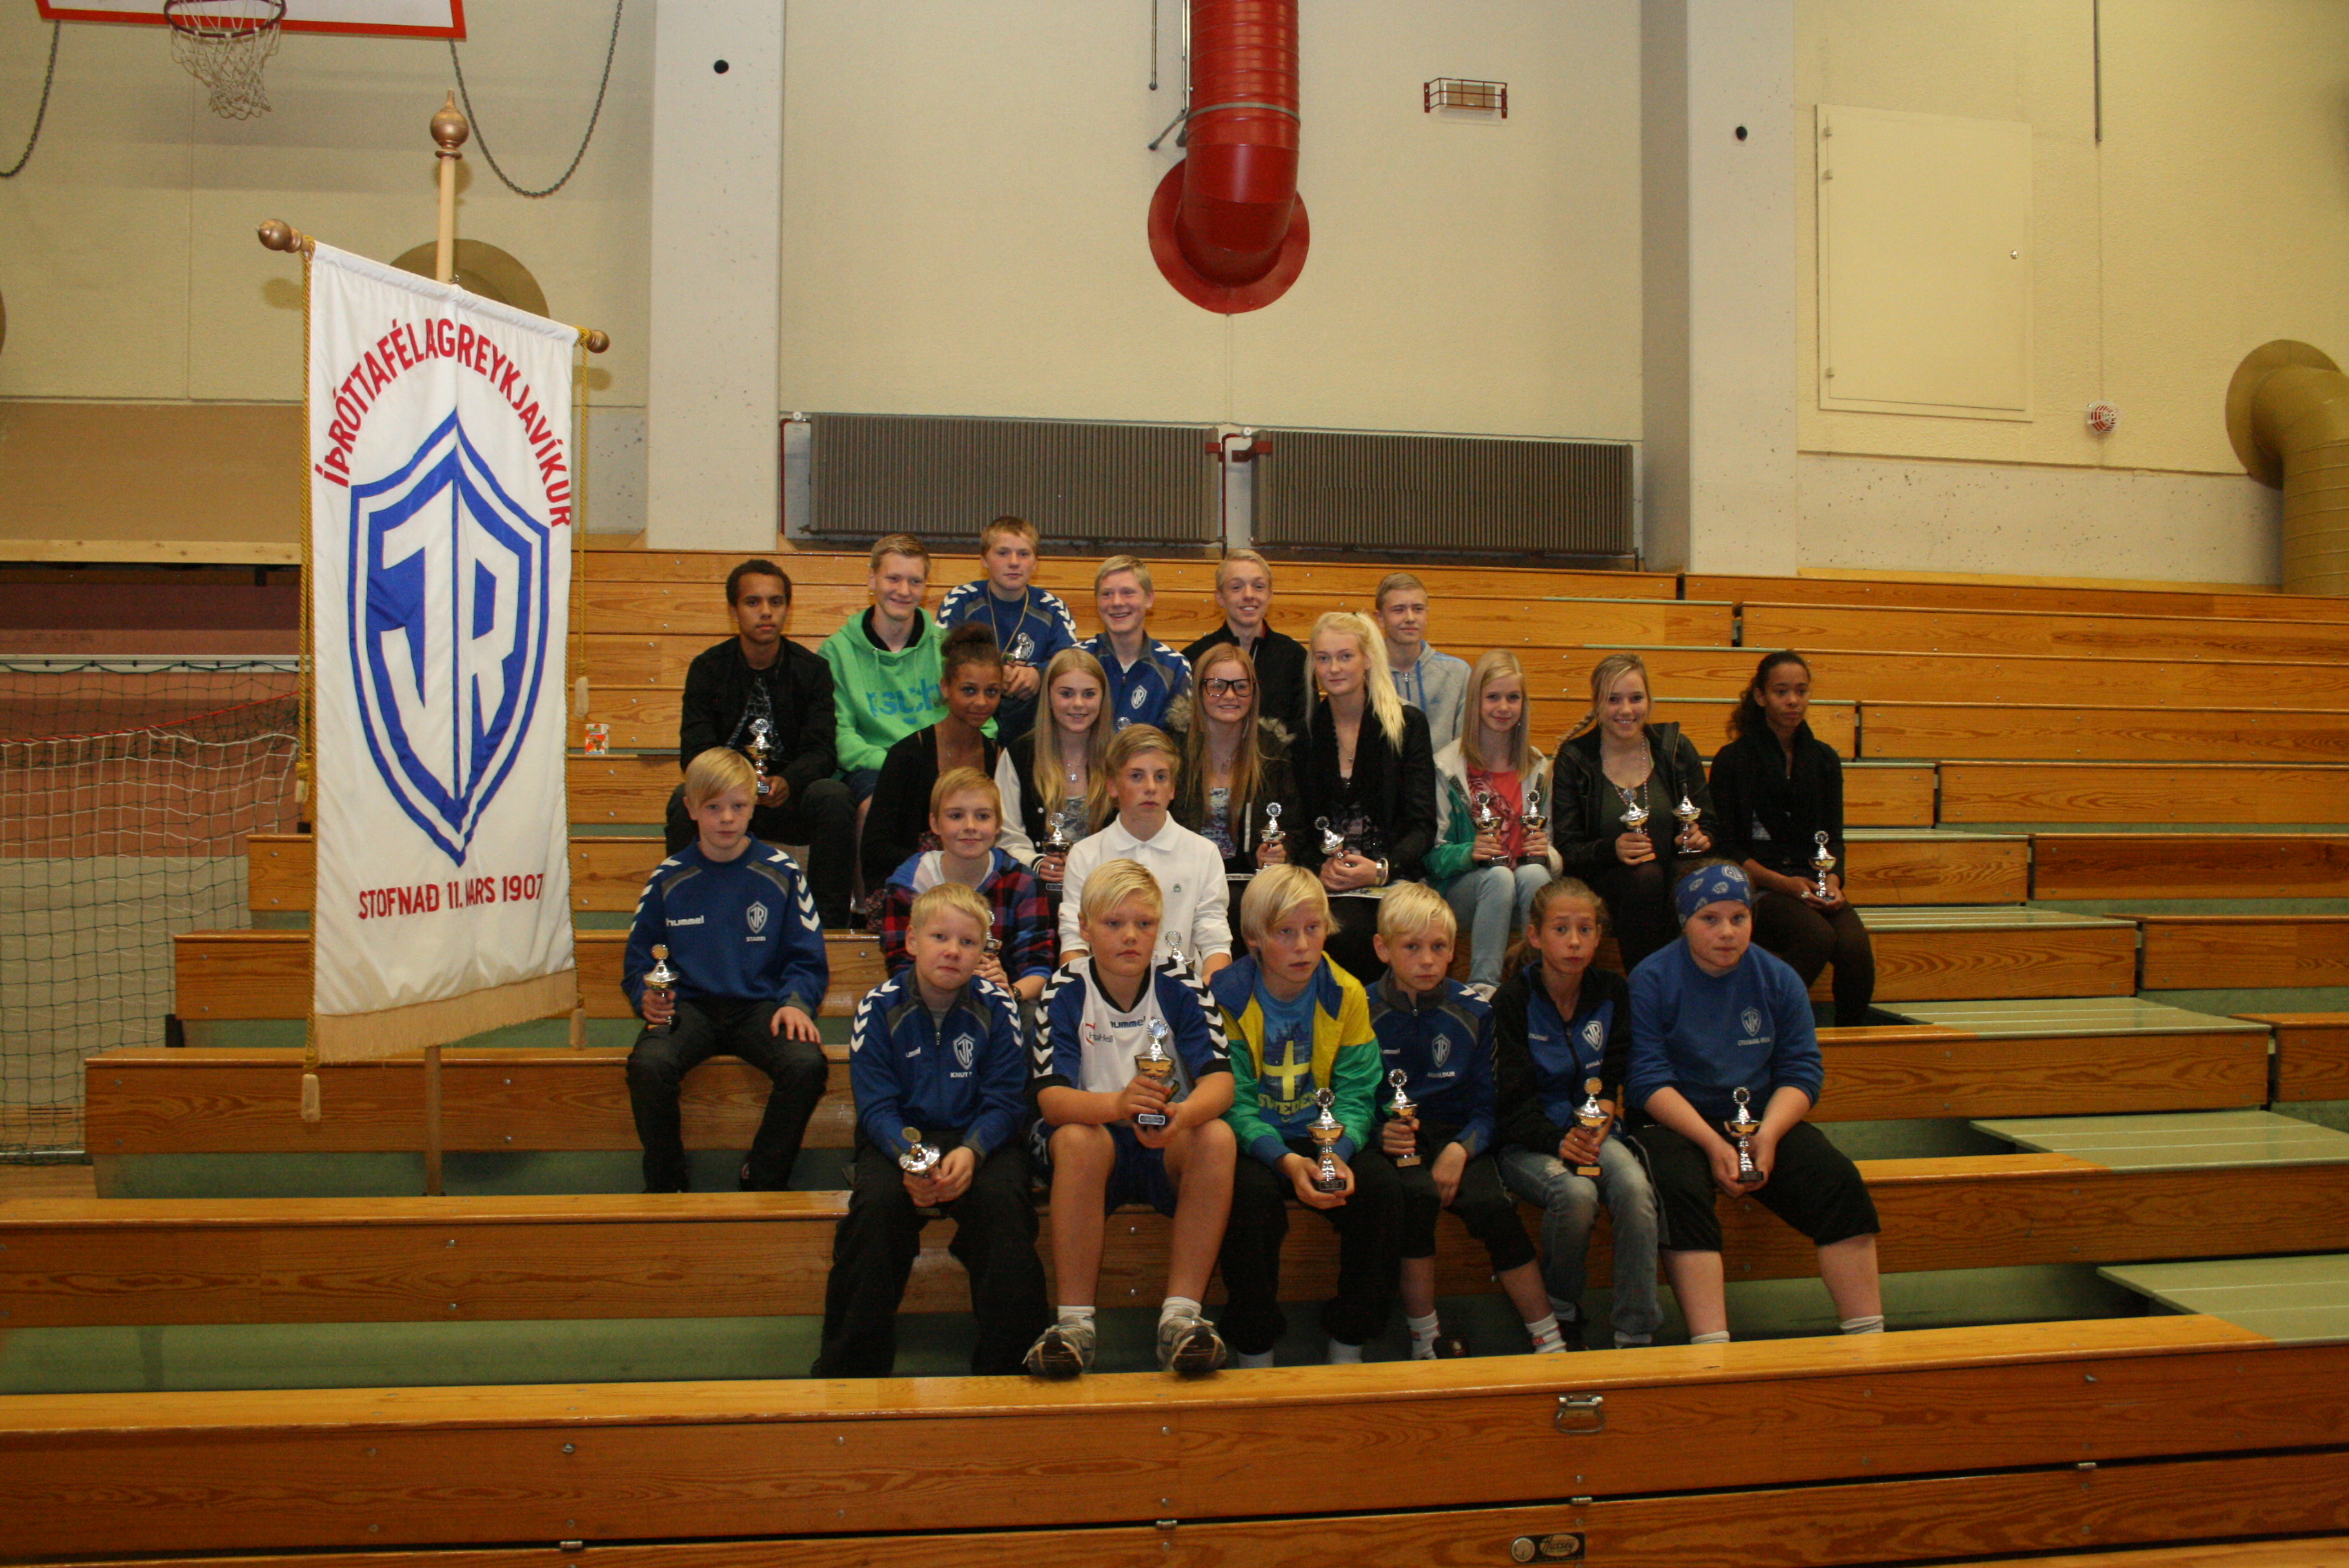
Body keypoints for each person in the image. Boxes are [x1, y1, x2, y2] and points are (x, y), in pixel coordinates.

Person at [1628, 862, 1884, 1344]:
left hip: (1760, 1118)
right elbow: (1647, 1081)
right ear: (1685, 922)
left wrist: (1767, 1136)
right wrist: (1712, 1144)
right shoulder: (1652, 978)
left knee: (1839, 1183)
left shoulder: (1779, 978)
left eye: (1738, 918)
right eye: (1710, 919)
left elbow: (1801, 1072)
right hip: (1678, 1122)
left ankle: (1868, 1339)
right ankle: (1712, 1347)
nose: (1727, 932)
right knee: (1680, 1189)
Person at [809, 882, 1049, 1377]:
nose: (953, 951)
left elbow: (1006, 1101)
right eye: (940, 937)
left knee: (1006, 1208)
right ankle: (850, 1371)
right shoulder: (878, 1006)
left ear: (984, 952)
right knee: (874, 1213)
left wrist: (973, 1152)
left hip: (979, 1135)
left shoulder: (999, 1006)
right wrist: (910, 1159)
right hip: (900, 1138)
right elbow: (876, 1106)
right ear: (913, 941)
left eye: (968, 942)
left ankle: (1010, 1368)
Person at [1027, 859, 1237, 1377]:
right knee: (1077, 1139)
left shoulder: (1182, 983)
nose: (1130, 936)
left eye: (1144, 924)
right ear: (1085, 928)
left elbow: (1221, 1084)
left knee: (1216, 1136)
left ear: (1159, 929)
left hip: (1162, 1140)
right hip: (1094, 1144)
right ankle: (1074, 1325)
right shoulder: (1064, 988)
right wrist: (1118, 1106)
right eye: (1114, 923)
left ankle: (1181, 1318)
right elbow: (1052, 1100)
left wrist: (1182, 1115)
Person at [1212, 866, 1401, 1367]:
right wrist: (1284, 1160)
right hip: (1256, 1140)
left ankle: (1350, 1339)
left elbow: (1358, 1091)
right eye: (1285, 932)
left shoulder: (1346, 992)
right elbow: (1231, 1100)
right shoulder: (1226, 997)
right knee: (1248, 1197)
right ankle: (1254, 1345)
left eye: (1313, 929)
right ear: (1254, 938)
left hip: (1325, 1136)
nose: (1302, 946)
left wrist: (1338, 1152)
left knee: (1382, 1189)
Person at [1366, 883, 1562, 1359]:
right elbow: (1351, 1096)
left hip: (1461, 1136)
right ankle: (1425, 1340)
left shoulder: (1475, 1011)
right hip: (1396, 1138)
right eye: (1412, 947)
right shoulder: (1361, 1010)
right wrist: (1378, 1131)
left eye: (1439, 947)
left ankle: (1549, 1338)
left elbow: (1488, 1103)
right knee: (1415, 1199)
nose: (1427, 960)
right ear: (1383, 949)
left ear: (1455, 950)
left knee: (1495, 1207)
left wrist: (1462, 1148)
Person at [621, 747, 830, 1194]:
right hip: (689, 1008)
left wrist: (796, 1003)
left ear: (754, 806)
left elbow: (807, 956)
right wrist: (645, 993)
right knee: (649, 1065)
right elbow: (641, 958)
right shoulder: (667, 877)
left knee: (806, 1064)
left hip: (760, 1007)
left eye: (738, 805)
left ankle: (764, 1175)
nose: (727, 818)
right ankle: (666, 1180)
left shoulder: (782, 872)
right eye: (714, 807)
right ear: (691, 808)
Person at [1490, 877, 1662, 1351]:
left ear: (1599, 936)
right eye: (1561, 929)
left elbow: (1613, 1066)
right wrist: (1558, 1141)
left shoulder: (1612, 991)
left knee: (1635, 1189)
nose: (1574, 942)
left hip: (1593, 1131)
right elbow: (1510, 1103)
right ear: (1535, 935)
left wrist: (1604, 1109)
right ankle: (1561, 1309)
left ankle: (1636, 1329)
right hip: (1527, 1141)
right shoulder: (1512, 1002)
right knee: (1576, 1193)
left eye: (1585, 930)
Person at [665, 560, 857, 927]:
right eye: (753, 602)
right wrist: (736, 786)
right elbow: (695, 751)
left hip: (787, 799)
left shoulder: (812, 670)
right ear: (733, 610)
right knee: (681, 800)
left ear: (787, 609)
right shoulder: (707, 668)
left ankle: (829, 927)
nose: (766, 612)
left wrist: (787, 781)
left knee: (833, 796)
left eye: (776, 602)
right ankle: (687, 918)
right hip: (726, 798)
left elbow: (822, 751)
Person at [1707, 651, 1875, 1025]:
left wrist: (1833, 882)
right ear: (1761, 696)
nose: (1793, 701)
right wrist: (1783, 884)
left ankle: (1851, 1041)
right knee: (1816, 937)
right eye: (1781, 691)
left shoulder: (1824, 759)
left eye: (1801, 691)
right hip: (1760, 883)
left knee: (1855, 947)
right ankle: (1761, 1029)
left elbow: (1833, 838)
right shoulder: (1733, 760)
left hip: (1811, 880)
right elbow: (1727, 846)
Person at [1294, 611, 1437, 984]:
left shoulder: (1407, 725)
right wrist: (1319, 868)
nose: (1333, 668)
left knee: (1358, 932)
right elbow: (1297, 825)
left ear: (1368, 659)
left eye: (1345, 656)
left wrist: (1381, 869)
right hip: (1324, 880)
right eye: (1323, 658)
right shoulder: (1305, 732)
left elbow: (1422, 826)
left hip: (1392, 875)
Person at [1552, 652, 1716, 972]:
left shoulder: (1675, 749)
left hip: (1673, 875)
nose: (1626, 710)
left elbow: (1709, 821)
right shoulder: (1575, 759)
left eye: (1636, 698)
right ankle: (1646, 985)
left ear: (1649, 701)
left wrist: (1702, 836)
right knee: (1645, 878)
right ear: (1597, 703)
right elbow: (1567, 848)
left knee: (1699, 878)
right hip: (1606, 882)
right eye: (1614, 699)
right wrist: (1611, 849)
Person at [1427, 650, 1561, 998]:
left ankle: (1538, 984)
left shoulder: (1538, 767)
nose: (1504, 707)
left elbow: (1554, 849)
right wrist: (1468, 852)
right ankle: (1484, 987)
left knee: (1535, 874)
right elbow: (1431, 855)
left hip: (1525, 891)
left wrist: (1546, 853)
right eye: (1493, 697)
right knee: (1499, 877)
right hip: (1466, 892)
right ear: (1476, 701)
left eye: (1513, 697)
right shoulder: (1445, 766)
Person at [1058, 724, 1233, 982]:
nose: (1150, 787)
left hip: (1182, 992)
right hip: (1105, 992)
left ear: (1172, 789)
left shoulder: (1204, 853)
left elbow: (1215, 940)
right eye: (1137, 776)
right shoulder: (1085, 855)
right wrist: (1081, 994)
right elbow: (1074, 939)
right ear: (1112, 786)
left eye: (1161, 777)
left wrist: (1208, 993)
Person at [873, 768, 1054, 1004]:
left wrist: (1008, 993)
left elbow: (1037, 968)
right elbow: (901, 966)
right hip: (926, 1003)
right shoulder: (909, 885)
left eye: (982, 816)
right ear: (935, 823)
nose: (970, 826)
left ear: (998, 824)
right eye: (956, 816)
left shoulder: (1022, 883)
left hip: (1006, 1004)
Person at [820, 533, 946, 858]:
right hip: (874, 766)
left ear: (926, 586)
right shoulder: (837, 651)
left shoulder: (947, 647)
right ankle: (869, 894)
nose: (904, 591)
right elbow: (840, 735)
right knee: (874, 805)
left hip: (939, 765)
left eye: (915, 581)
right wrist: (900, 765)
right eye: (893, 578)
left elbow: (975, 718)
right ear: (872, 579)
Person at [859, 624, 1004, 895]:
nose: (982, 702)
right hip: (916, 886)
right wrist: (940, 868)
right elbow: (876, 849)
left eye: (992, 692)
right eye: (969, 690)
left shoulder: (999, 757)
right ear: (946, 687)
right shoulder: (908, 755)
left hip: (979, 885)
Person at [1163, 642, 1300, 882]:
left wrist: (1279, 852)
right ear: (1199, 691)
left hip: (1251, 883)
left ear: (1253, 692)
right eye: (1217, 686)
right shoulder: (1172, 752)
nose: (1229, 695)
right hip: (1183, 881)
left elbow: (1294, 828)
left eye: (1241, 686)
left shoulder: (1273, 753)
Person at [938, 515, 1079, 745]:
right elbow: (944, 660)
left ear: (1035, 562)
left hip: (1031, 724)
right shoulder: (961, 600)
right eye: (1002, 553)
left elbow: (1070, 663)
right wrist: (993, 676)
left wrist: (1038, 674)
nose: (1014, 562)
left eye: (1023, 554)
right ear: (984, 559)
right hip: (973, 717)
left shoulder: (1052, 608)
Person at [996, 646, 1116, 885]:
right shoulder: (1019, 755)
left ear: (1103, 698)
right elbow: (1006, 835)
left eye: (1089, 694)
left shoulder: (1119, 757)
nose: (1078, 704)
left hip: (1105, 888)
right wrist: (1036, 862)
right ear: (1048, 697)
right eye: (1066, 694)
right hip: (1035, 891)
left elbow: (1135, 833)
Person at [1180, 549, 1310, 741]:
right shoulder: (1194, 657)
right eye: (1236, 587)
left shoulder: (1295, 657)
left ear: (1270, 595)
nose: (1249, 595)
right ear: (1220, 597)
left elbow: (1304, 732)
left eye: (1258, 586)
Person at [1082, 555, 1191, 731]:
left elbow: (1178, 739)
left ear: (1149, 599)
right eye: (1107, 594)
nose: (1117, 602)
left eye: (1128, 592)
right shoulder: (1078, 659)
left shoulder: (1174, 667)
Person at [1376, 571, 1470, 750]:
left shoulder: (1458, 673)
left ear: (1427, 615)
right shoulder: (1364, 673)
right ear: (1380, 618)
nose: (1410, 618)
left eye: (1418, 609)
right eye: (1399, 610)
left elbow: (1466, 745)